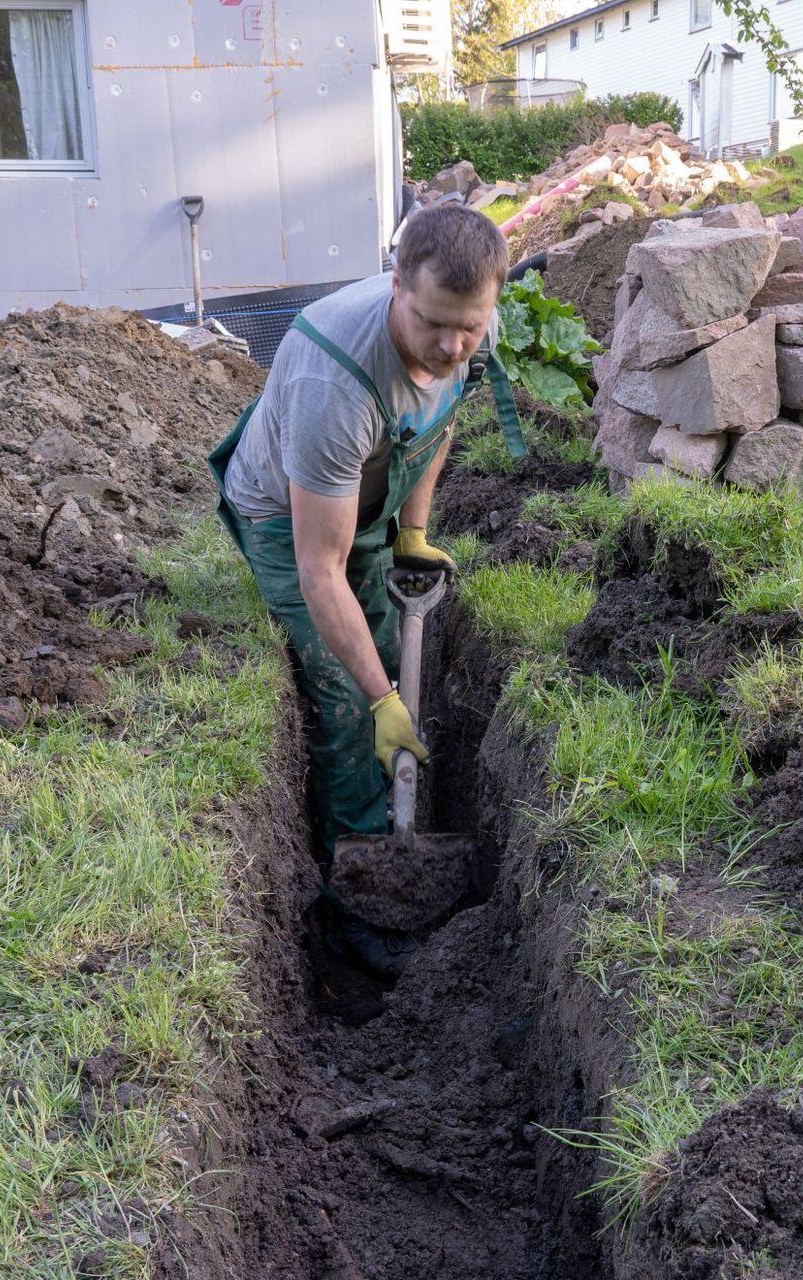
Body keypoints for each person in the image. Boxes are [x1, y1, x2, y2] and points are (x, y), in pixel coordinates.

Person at [207, 203, 523, 977]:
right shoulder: (333, 384)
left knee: (379, 643)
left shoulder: (468, 324)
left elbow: (438, 423)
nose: (453, 345)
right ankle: (355, 911)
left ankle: (396, 825)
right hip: (287, 518)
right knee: (348, 704)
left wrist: (411, 533)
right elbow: (322, 569)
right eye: (434, 324)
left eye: (470, 328)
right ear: (396, 287)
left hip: (374, 488)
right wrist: (382, 701)